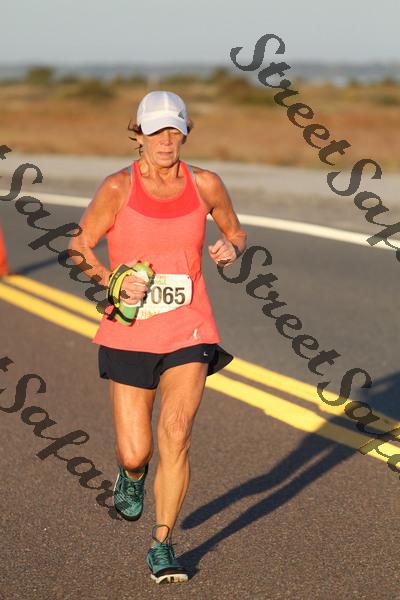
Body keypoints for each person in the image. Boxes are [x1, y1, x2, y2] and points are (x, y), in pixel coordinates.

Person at [69, 90, 247, 584]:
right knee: (136, 451)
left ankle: (162, 544)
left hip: (190, 327)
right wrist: (112, 280)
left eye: (174, 131)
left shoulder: (206, 183)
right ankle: (131, 475)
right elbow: (79, 246)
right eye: (155, 131)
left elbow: (236, 232)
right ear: (139, 134)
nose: (165, 141)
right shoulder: (117, 187)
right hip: (130, 330)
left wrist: (230, 249)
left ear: (185, 133)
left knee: (177, 432)